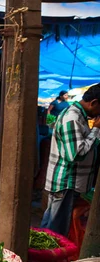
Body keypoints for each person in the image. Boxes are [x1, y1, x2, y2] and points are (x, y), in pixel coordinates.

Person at [41, 84, 100, 236]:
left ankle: (44, 256)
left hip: (68, 182)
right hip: (67, 182)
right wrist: (96, 130)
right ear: (94, 103)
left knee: (51, 227)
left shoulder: (79, 116)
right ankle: (51, 258)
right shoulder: (72, 118)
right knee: (56, 231)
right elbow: (75, 154)